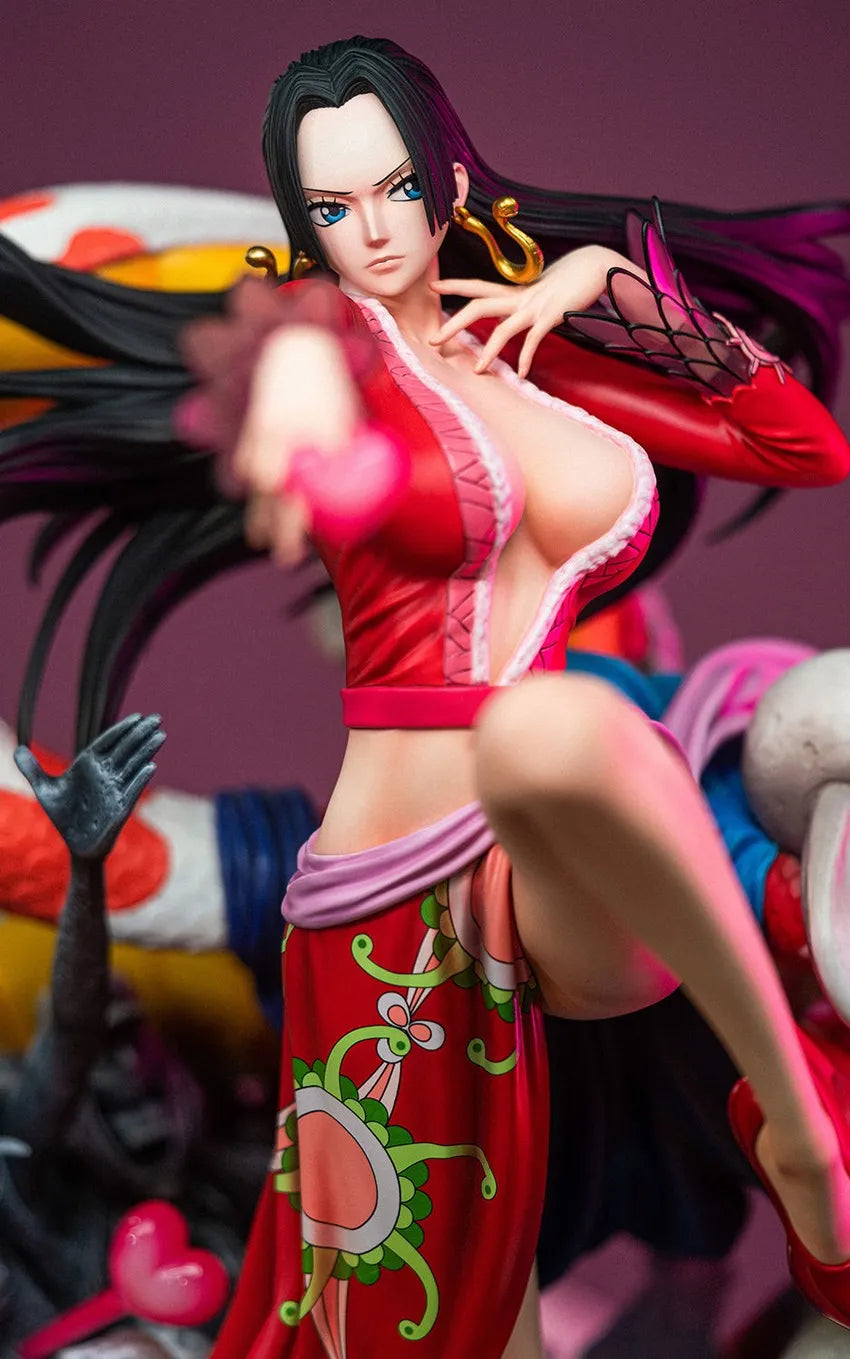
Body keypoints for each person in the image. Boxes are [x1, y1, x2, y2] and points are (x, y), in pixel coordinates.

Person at [3, 34, 850, 1359]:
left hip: (562, 862)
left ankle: (798, 1133)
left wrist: (602, 280)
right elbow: (325, 447)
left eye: (397, 188)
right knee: (441, 1324)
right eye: (332, 207)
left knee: (561, 730)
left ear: (449, 181)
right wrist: (300, 430)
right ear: (302, 224)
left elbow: (798, 442)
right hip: (394, 902)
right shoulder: (329, 355)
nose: (374, 230)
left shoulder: (528, 359)